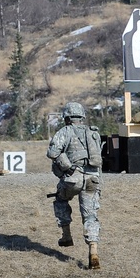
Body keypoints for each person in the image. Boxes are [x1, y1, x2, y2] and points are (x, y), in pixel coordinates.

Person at [47, 102, 103, 269]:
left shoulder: (65, 131)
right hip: (92, 179)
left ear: (67, 117)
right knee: (90, 216)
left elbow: (52, 152)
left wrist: (67, 166)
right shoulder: (94, 133)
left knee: (60, 199)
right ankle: (93, 250)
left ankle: (66, 235)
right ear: (82, 116)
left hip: (73, 178)